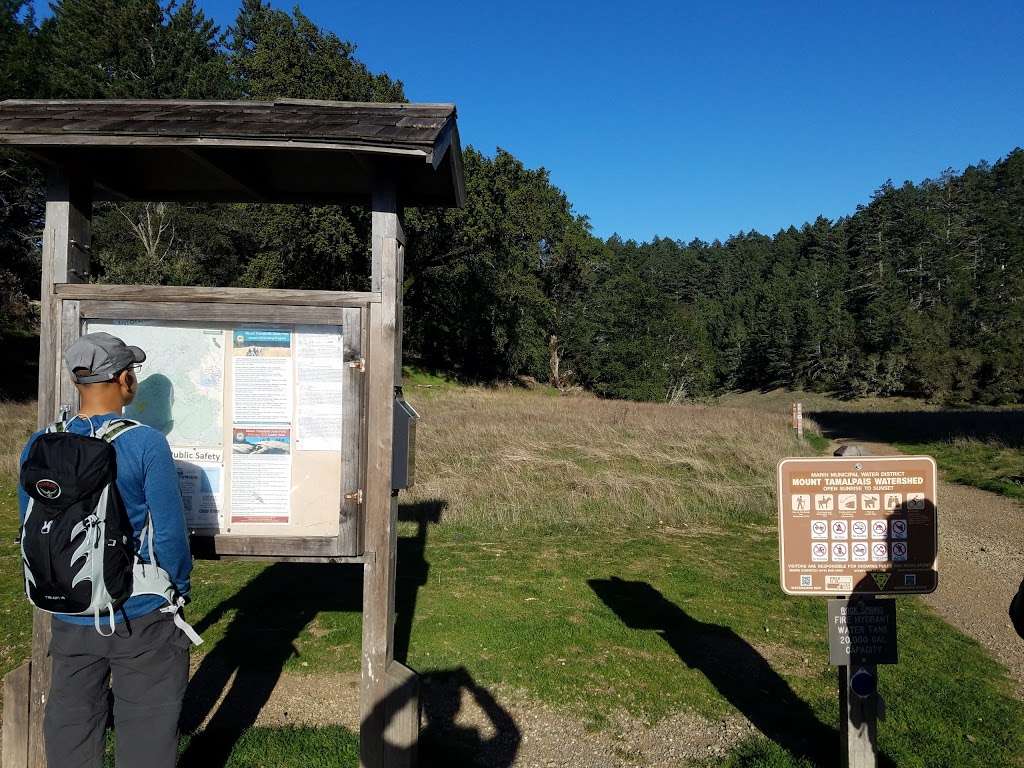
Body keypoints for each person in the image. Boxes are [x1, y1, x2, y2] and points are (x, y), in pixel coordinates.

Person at [18, 332, 193, 768]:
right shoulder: (145, 442)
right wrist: (177, 589)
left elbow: (30, 525)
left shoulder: (40, 442)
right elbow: (169, 534)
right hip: (140, 612)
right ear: (123, 378)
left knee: (72, 725)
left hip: (71, 608)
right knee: (147, 729)